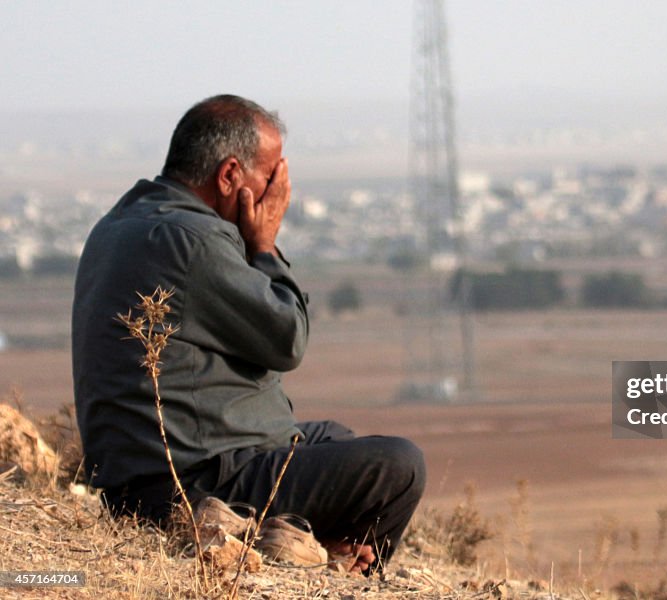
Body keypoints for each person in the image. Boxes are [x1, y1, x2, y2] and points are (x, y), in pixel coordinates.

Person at [72, 95, 425, 572]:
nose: (279, 192)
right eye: (271, 178)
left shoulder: (119, 223)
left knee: (335, 439)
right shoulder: (195, 239)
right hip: (192, 483)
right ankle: (347, 573)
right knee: (398, 466)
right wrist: (266, 246)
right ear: (229, 176)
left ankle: (313, 546)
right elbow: (287, 339)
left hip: (156, 470)